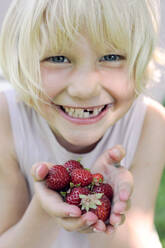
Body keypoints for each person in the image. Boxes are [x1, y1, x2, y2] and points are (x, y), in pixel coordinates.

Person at [0, 0, 164, 247]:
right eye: (57, 58)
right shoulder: (6, 119)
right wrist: (45, 210)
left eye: (111, 57)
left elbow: (134, 240)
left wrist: (110, 212)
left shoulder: (151, 125)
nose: (84, 89)